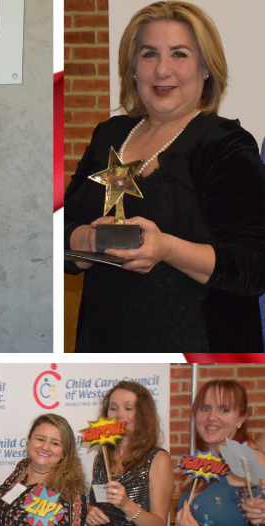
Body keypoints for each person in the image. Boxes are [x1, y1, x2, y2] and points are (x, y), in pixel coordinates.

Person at [63, 1, 265, 351]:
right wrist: (87, 241)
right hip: (103, 343)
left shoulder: (225, 145)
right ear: (132, 67)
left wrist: (167, 249)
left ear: (206, 68)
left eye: (179, 54)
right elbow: (60, 229)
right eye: (149, 54)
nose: (162, 70)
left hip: (197, 346)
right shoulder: (108, 135)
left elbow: (255, 266)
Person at [176, 379, 265, 526]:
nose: (211, 417)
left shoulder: (248, 461)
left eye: (224, 410)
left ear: (241, 419)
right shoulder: (206, 460)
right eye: (205, 409)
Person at [86, 381, 173, 526]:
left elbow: (159, 523)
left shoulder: (158, 459)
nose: (120, 414)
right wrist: (89, 512)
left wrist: (126, 505)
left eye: (128, 408)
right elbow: (95, 505)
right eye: (113, 408)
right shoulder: (101, 458)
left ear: (143, 414)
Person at [0, 413, 87, 526]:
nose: (45, 447)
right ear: (29, 440)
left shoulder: (70, 490)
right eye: (40, 439)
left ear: (64, 452)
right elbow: (8, 504)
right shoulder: (23, 466)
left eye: (55, 443)